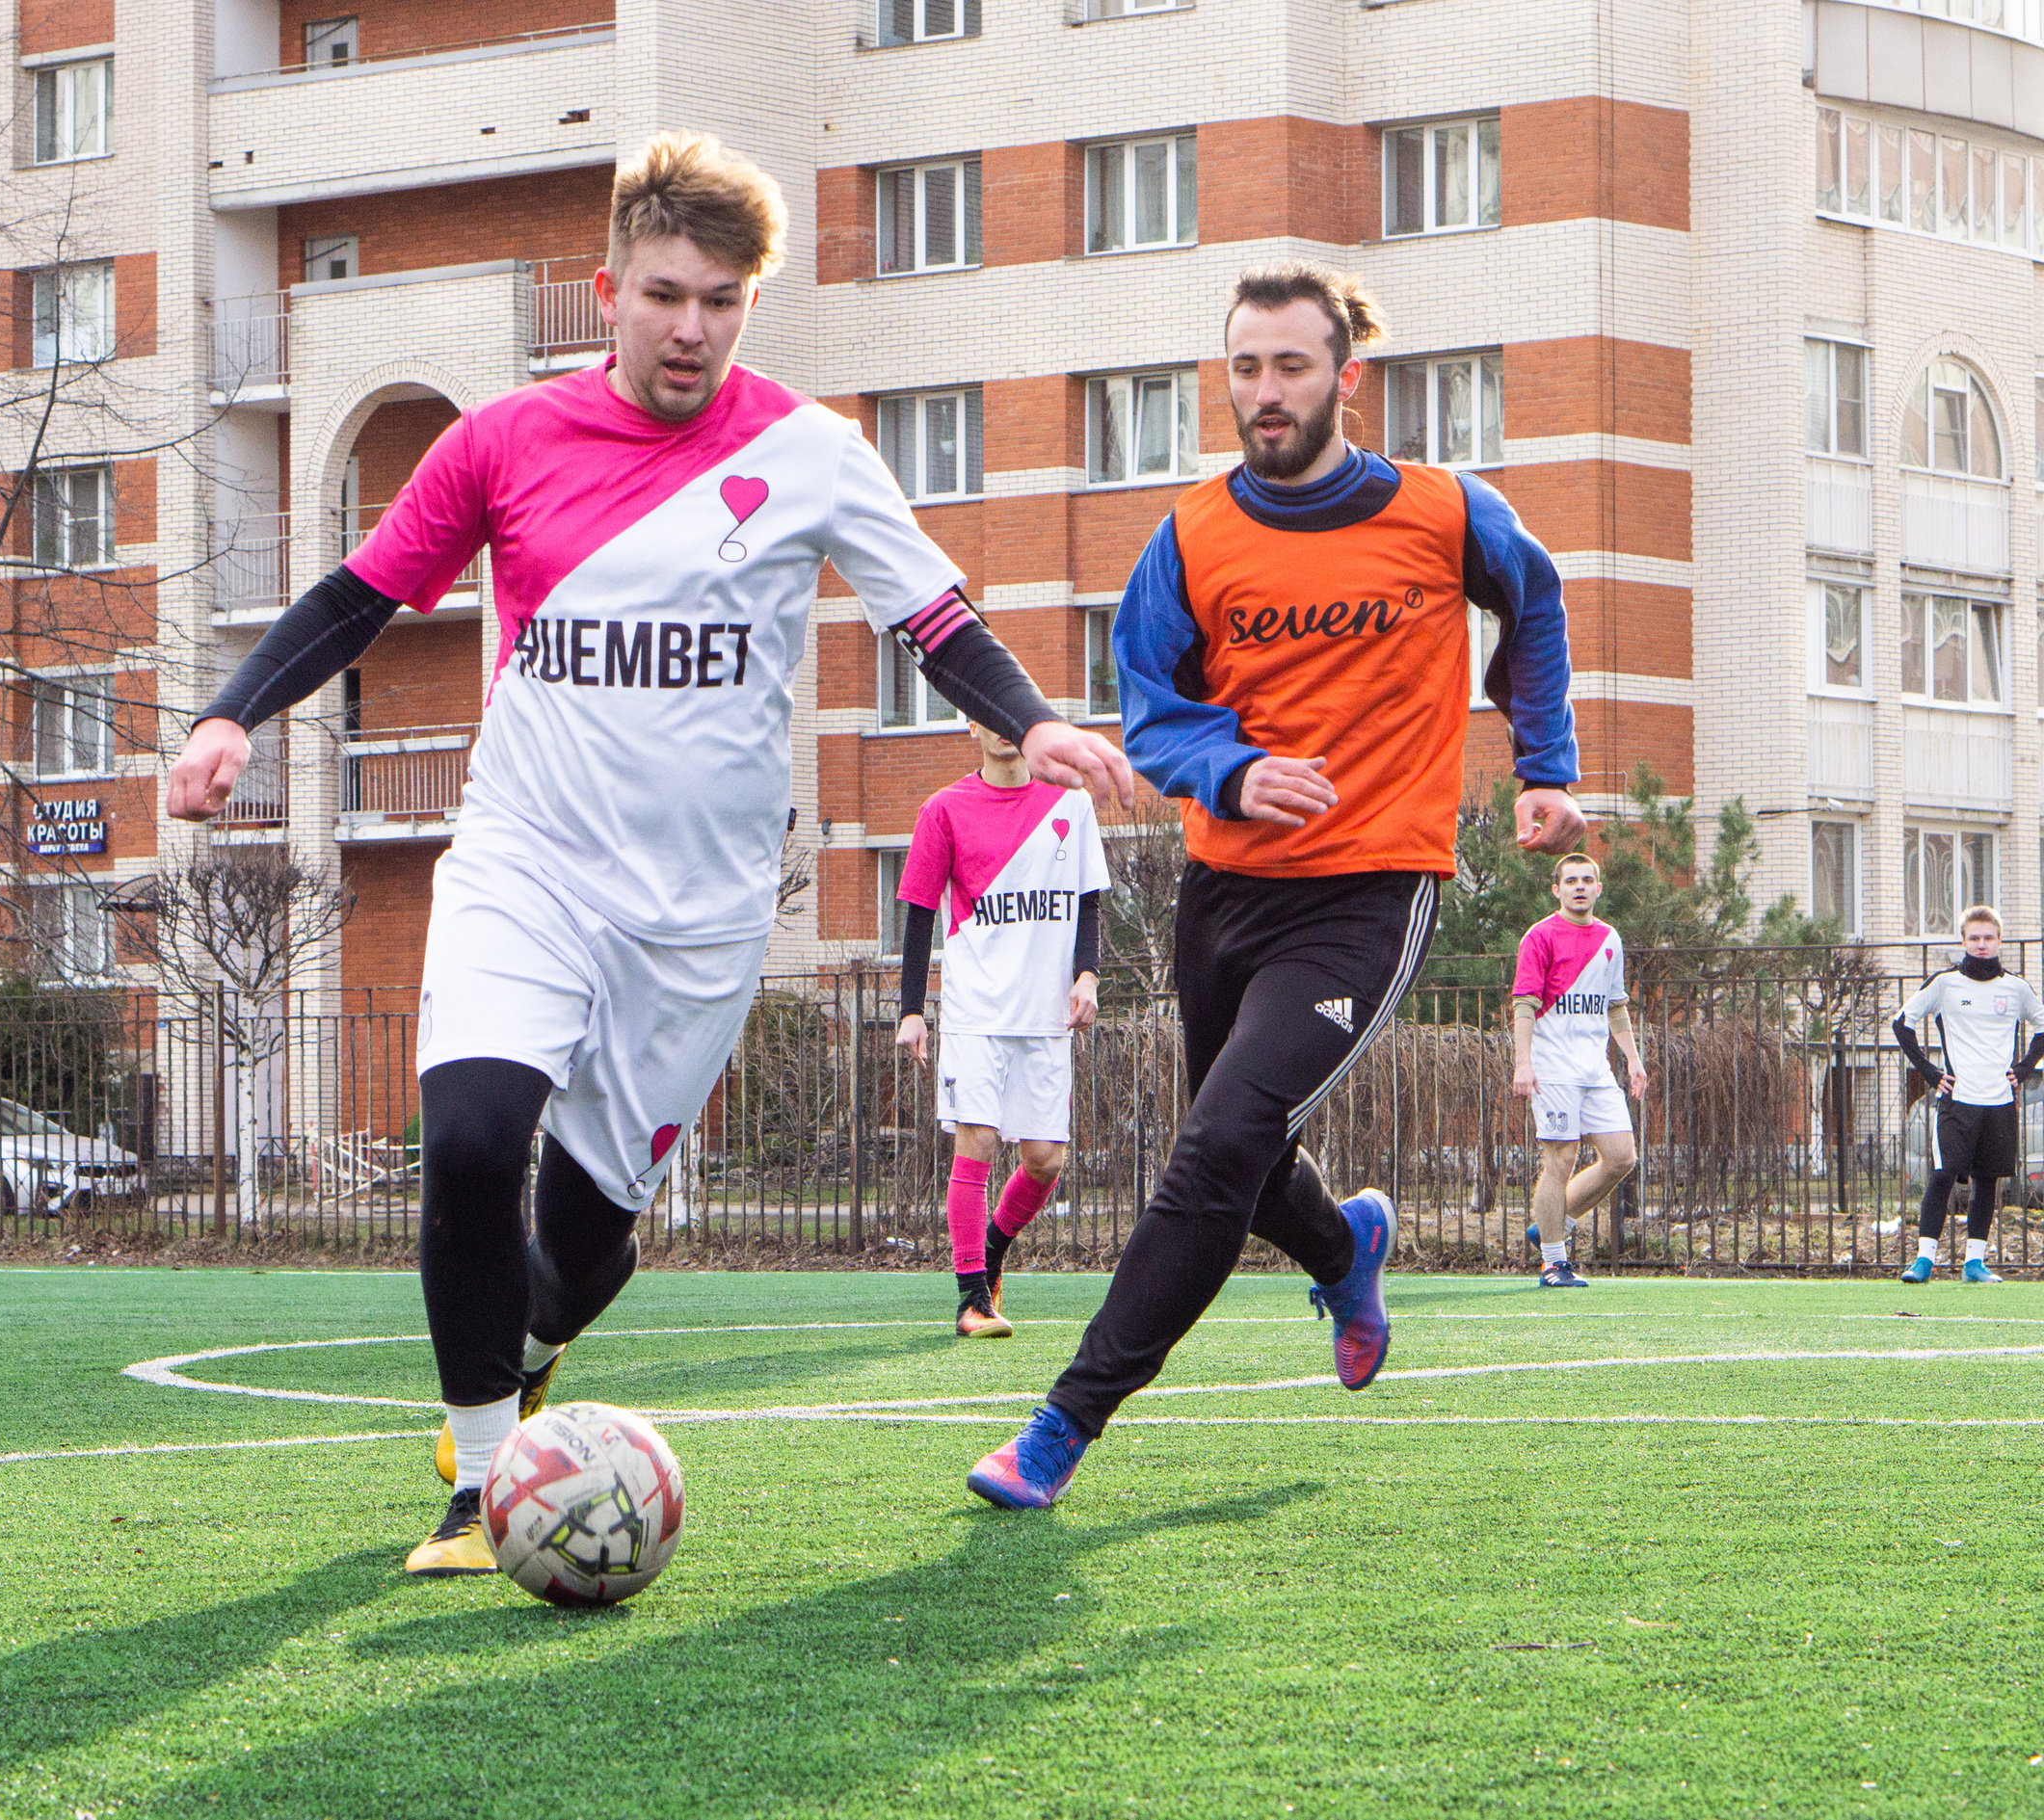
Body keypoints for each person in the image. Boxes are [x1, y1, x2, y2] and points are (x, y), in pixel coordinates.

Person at [166, 132, 1130, 1575]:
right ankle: (480, 1479)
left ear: (750, 305)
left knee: (590, 1231)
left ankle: (537, 1343)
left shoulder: (810, 453)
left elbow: (931, 616)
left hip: (702, 911)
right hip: (526, 857)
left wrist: (1033, 720)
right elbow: (363, 595)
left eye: (723, 301)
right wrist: (232, 715)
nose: (692, 328)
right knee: (477, 1138)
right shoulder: (501, 441)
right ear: (607, 287)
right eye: (667, 294)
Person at [967, 261, 1582, 1511]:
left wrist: (1545, 763)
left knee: (1216, 1149)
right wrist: (1234, 772)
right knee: (1244, 1154)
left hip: (1366, 893)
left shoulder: (1443, 510)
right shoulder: (1193, 534)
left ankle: (1060, 1426)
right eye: (1244, 366)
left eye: (1290, 365)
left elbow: (1535, 598)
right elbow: (1152, 705)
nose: (1264, 390)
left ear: (1346, 376)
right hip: (1226, 890)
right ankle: (1342, 1242)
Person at [893, 721, 1109, 1337]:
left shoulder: (1071, 804)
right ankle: (971, 1300)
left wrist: (1087, 975)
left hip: (1044, 1016)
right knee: (978, 1145)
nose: (1001, 726)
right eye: (985, 712)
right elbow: (919, 913)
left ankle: (990, 1249)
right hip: (975, 1012)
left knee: (1044, 1161)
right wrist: (912, 1009)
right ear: (970, 724)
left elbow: (1088, 900)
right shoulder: (944, 809)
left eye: (1010, 712)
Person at [1508, 853, 1646, 1288]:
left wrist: (1633, 1059)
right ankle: (1553, 1262)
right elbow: (1524, 1004)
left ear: (1598, 888)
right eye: (1571, 881)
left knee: (1622, 1157)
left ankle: (1551, 1223)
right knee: (1561, 1159)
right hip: (1553, 1069)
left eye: (1588, 880)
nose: (1580, 887)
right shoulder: (1540, 936)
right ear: (1557, 889)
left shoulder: (1610, 938)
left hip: (1596, 1070)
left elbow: (1616, 1005)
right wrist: (1523, 1063)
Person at [1893, 906, 2042, 1285]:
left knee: (1987, 1180)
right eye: (1973, 937)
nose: (1981, 944)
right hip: (1957, 1102)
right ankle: (1924, 1260)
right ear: (1963, 940)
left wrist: (2024, 1069)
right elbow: (1901, 1023)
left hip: (2000, 1102)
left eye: (1988, 937)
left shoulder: (2017, 988)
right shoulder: (1944, 984)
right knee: (1942, 1175)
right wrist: (1929, 1073)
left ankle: (1974, 1264)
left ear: (1999, 941)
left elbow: (2042, 1028)